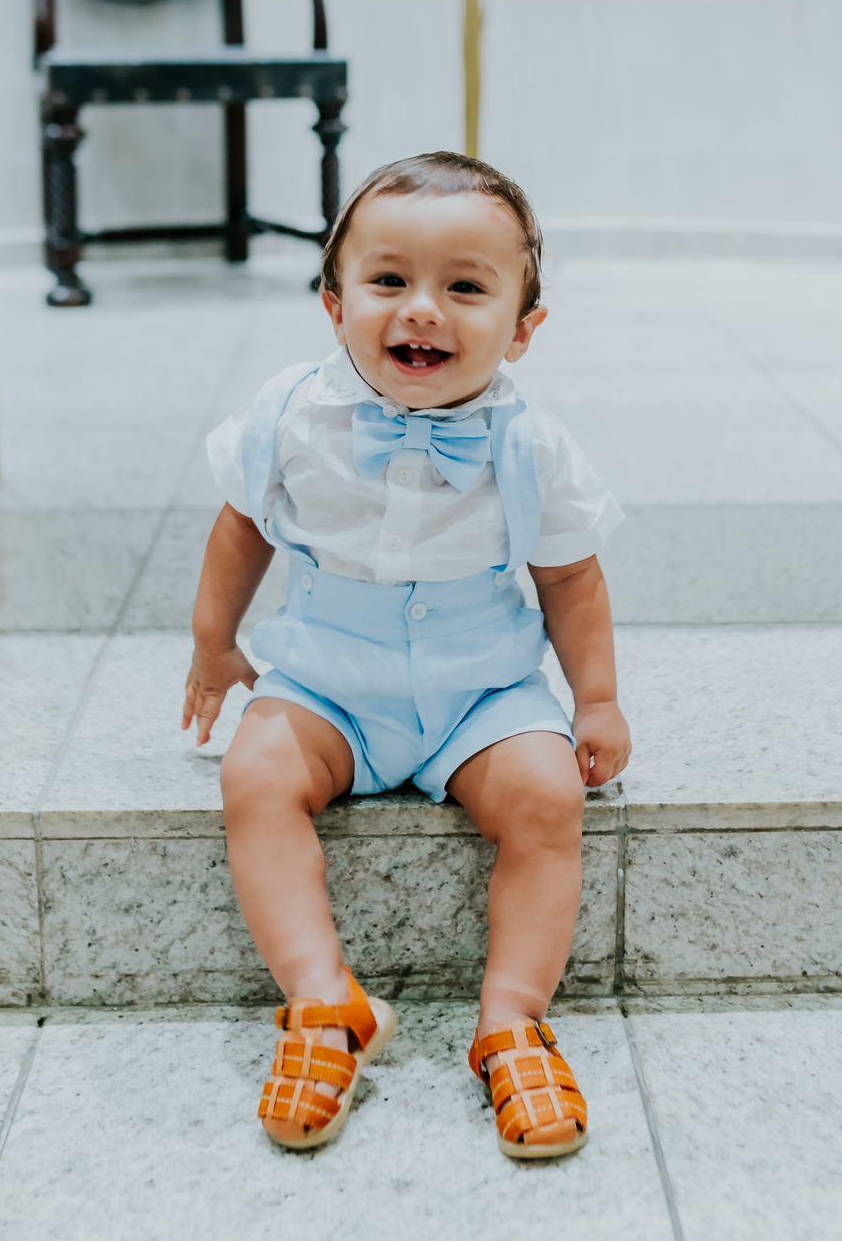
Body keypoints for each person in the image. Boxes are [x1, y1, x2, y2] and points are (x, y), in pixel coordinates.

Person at [182, 151, 629, 1159]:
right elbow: (240, 527)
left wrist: (594, 701)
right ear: (333, 301)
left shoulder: (531, 443)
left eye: (465, 288)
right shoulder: (292, 415)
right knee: (256, 774)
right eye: (388, 281)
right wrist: (215, 643)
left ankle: (511, 1017)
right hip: (327, 680)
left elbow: (570, 579)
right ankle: (325, 1000)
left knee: (548, 798)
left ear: (523, 326)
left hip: (482, 689)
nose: (421, 310)